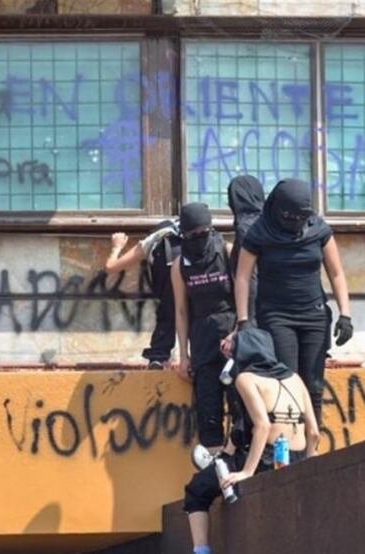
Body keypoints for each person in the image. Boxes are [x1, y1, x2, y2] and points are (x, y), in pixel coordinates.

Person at [183, 326, 319, 554]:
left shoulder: (246, 378)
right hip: (297, 458)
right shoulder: (295, 378)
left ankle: (201, 550)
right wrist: (311, 461)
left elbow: (262, 426)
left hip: (267, 458)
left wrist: (247, 472)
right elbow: (314, 432)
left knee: (197, 489)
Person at [231, 179, 352, 425]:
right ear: (276, 208)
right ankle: (291, 451)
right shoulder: (259, 232)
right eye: (289, 216)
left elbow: (337, 273)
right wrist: (243, 320)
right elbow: (242, 277)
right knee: (288, 380)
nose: (295, 221)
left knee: (314, 384)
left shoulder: (319, 230)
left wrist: (346, 314)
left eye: (302, 216)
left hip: (314, 315)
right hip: (277, 316)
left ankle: (312, 450)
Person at [171, 203, 235, 454]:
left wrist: (238, 331)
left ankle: (241, 466)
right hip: (203, 340)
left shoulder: (227, 251)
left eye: (204, 233)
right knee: (208, 411)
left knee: (240, 406)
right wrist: (183, 355)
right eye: (193, 235)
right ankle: (214, 467)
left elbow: (245, 296)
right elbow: (181, 311)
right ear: (183, 235)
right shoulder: (180, 265)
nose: (199, 239)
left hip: (232, 336)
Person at [106, 219, 180, 368]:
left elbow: (111, 266)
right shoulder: (207, 236)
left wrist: (117, 247)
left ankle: (158, 358)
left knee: (167, 311)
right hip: (204, 311)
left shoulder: (156, 238)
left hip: (168, 294)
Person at [227, 175, 265, 323]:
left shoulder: (246, 228)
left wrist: (246, 319)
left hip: (257, 310)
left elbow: (250, 276)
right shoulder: (270, 220)